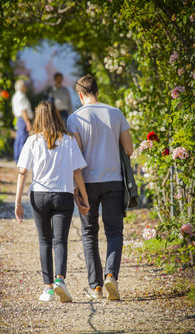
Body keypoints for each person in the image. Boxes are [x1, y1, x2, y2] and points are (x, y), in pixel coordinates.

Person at [15, 101, 89, 303]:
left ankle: (47, 289)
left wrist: (17, 202)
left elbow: (23, 172)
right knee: (60, 240)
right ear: (57, 116)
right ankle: (60, 281)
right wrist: (85, 197)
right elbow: (77, 172)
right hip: (63, 195)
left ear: (38, 118)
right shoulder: (68, 140)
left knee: (44, 241)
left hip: (39, 195)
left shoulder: (32, 141)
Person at [67, 74, 133, 301]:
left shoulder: (75, 119)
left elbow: (75, 157)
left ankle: (95, 287)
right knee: (114, 232)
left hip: (87, 183)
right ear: (97, 91)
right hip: (113, 180)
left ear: (79, 94)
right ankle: (111, 275)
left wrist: (76, 191)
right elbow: (129, 149)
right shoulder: (115, 113)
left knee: (89, 233)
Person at [12, 79, 33, 163]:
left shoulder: (15, 96)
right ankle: (21, 160)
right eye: (24, 86)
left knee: (18, 139)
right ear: (21, 87)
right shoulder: (21, 96)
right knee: (22, 140)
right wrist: (28, 122)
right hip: (23, 119)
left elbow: (14, 111)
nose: (26, 88)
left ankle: (17, 159)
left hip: (19, 119)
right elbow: (23, 110)